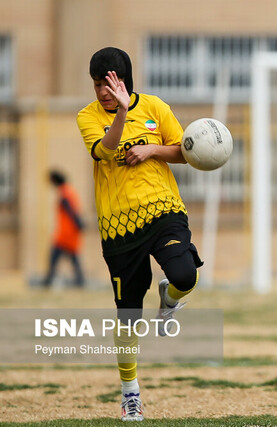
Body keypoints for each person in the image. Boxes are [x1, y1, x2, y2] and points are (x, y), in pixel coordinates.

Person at [76, 47, 203, 421]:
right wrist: (121, 114)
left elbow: (185, 151)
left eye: (109, 82)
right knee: (128, 316)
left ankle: (170, 296)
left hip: (164, 211)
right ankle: (130, 393)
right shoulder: (87, 116)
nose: (102, 90)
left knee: (185, 275)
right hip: (119, 228)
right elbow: (106, 149)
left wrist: (152, 149)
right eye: (98, 84)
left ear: (124, 79)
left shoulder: (156, 107)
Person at [43, 170, 85, 288]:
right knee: (73, 258)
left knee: (54, 257)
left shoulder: (64, 193)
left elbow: (70, 209)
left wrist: (78, 222)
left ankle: (48, 281)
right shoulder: (69, 190)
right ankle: (80, 280)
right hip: (70, 232)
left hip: (65, 233)